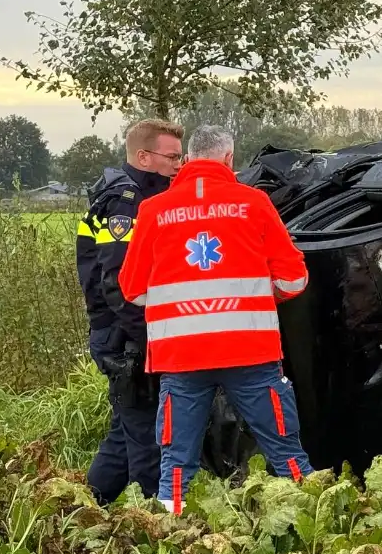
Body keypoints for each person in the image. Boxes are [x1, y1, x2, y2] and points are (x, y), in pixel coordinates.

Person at [118, 125, 313, 514]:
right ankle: (315, 525)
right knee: (285, 452)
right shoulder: (254, 203)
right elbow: (294, 279)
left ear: (188, 159)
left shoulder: (153, 211)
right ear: (228, 159)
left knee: (175, 466)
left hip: (181, 357)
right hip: (250, 353)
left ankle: (169, 542)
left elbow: (132, 289)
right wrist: (254, 297)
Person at [76, 118, 185, 506]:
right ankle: (150, 519)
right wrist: (150, 336)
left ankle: (88, 506)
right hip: (124, 336)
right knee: (147, 434)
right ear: (143, 155)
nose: (178, 164)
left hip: (121, 332)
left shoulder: (138, 196)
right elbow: (119, 282)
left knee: (125, 431)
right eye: (172, 156)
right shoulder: (126, 202)